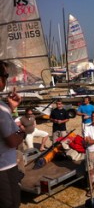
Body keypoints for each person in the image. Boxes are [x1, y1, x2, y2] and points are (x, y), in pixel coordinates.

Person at [0, 61, 26, 208]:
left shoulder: (3, 108)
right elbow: (11, 141)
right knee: (12, 204)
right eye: (5, 75)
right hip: (4, 168)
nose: (6, 79)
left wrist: (10, 107)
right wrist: (21, 133)